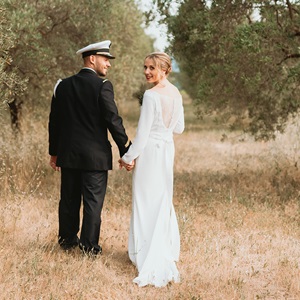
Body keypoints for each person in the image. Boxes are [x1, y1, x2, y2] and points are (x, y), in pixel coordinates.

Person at [48, 40, 131, 256]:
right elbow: (113, 120)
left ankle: (67, 241)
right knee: (93, 202)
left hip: (68, 155)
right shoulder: (103, 86)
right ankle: (89, 247)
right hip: (95, 157)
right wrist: (127, 151)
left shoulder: (61, 86)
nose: (109, 64)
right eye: (106, 59)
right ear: (92, 59)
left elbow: (54, 122)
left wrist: (54, 153)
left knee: (69, 199)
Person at [119, 52, 185, 287]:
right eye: (145, 67)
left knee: (145, 201)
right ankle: (161, 248)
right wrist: (164, 130)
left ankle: (143, 253)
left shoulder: (150, 95)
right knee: (161, 199)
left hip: (149, 154)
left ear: (164, 70)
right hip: (166, 151)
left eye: (152, 68)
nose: (147, 72)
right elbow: (179, 128)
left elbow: (143, 135)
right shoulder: (176, 94)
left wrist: (127, 157)